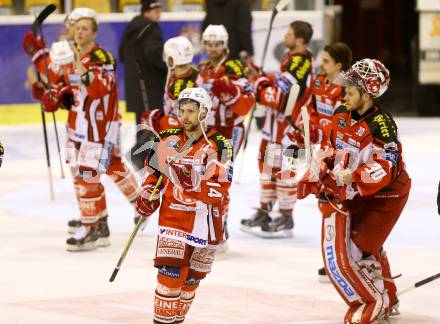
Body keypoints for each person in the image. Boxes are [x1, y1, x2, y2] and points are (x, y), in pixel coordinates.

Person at [297, 58, 411, 323]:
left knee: (361, 245)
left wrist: (356, 176)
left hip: (386, 195)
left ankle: (379, 301)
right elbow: (330, 147)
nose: (344, 91)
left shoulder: (382, 124)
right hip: (357, 191)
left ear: (368, 92)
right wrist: (320, 167)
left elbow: (388, 165)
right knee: (361, 246)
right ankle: (387, 298)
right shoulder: (340, 112)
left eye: (351, 87)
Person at [22, 12, 139, 251]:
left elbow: (99, 89)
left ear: (94, 32)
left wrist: (74, 68)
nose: (79, 31)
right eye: (77, 27)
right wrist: (50, 89)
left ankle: (92, 225)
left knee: (91, 174)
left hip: (100, 128)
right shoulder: (72, 54)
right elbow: (59, 80)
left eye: (85, 28)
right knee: (84, 175)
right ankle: (98, 222)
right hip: (78, 126)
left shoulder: (101, 57)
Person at [136, 87, 233, 323]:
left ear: (204, 113)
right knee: (170, 278)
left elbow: (222, 186)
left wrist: (192, 182)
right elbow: (153, 173)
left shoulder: (220, 144)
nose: (185, 116)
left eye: (191, 111)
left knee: (191, 282)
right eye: (182, 110)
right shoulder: (168, 137)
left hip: (206, 221)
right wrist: (149, 191)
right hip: (174, 219)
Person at [240, 20, 314, 238]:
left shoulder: (300, 63)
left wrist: (258, 83)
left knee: (285, 171)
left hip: (290, 129)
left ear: (299, 40)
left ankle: (286, 215)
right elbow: (278, 85)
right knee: (266, 166)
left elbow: (279, 98)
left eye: (289, 34)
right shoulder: (291, 58)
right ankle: (265, 209)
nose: (285, 37)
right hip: (275, 128)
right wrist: (260, 76)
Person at [198, 24, 255, 247]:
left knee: (219, 177)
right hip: (206, 130)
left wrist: (228, 92)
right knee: (203, 176)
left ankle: (220, 229)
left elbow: (245, 105)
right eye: (209, 44)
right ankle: (208, 224)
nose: (213, 48)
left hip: (230, 130)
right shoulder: (202, 68)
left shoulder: (234, 67)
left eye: (217, 44)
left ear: (225, 45)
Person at [306, 42, 353, 282]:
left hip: (342, 156)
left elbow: (346, 123)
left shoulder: (348, 90)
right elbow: (311, 108)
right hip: (323, 152)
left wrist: (327, 128)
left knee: (342, 206)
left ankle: (347, 257)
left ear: (338, 65)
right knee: (325, 204)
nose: (320, 65)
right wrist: (311, 126)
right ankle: (333, 255)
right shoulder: (318, 82)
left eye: (325, 61)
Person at [119, 0, 167, 170]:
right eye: (157, 9)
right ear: (149, 10)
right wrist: (168, 65)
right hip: (149, 86)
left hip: (135, 86)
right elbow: (154, 55)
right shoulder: (150, 28)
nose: (159, 12)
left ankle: (142, 157)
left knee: (142, 121)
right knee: (153, 120)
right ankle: (139, 155)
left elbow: (122, 55)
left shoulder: (131, 27)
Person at [141, 35, 200, 134]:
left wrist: (161, 122)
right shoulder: (185, 74)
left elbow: (182, 122)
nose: (165, 58)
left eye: (166, 55)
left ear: (172, 59)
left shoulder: (181, 86)